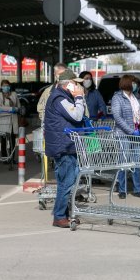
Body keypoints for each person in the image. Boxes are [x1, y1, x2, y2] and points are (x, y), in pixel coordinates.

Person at [43, 69, 86, 228]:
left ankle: (62, 214)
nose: (78, 86)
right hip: (64, 146)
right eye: (76, 83)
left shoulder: (61, 96)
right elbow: (77, 116)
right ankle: (60, 216)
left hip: (67, 145)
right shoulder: (59, 98)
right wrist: (80, 98)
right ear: (68, 84)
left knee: (68, 181)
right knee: (66, 182)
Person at [111, 74, 140, 199]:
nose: (135, 85)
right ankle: (122, 189)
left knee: (137, 162)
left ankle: (137, 189)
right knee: (124, 162)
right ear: (127, 83)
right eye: (134, 82)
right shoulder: (117, 98)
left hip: (137, 134)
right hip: (124, 135)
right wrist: (131, 131)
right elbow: (117, 117)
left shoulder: (136, 97)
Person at [0, 79, 20, 159]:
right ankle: (4, 157)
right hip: (4, 121)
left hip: (13, 120)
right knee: (4, 140)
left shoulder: (14, 94)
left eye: (7, 86)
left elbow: (18, 106)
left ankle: (12, 158)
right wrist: (11, 109)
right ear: (1, 87)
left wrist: (16, 109)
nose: (6, 87)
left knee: (12, 140)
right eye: (4, 86)